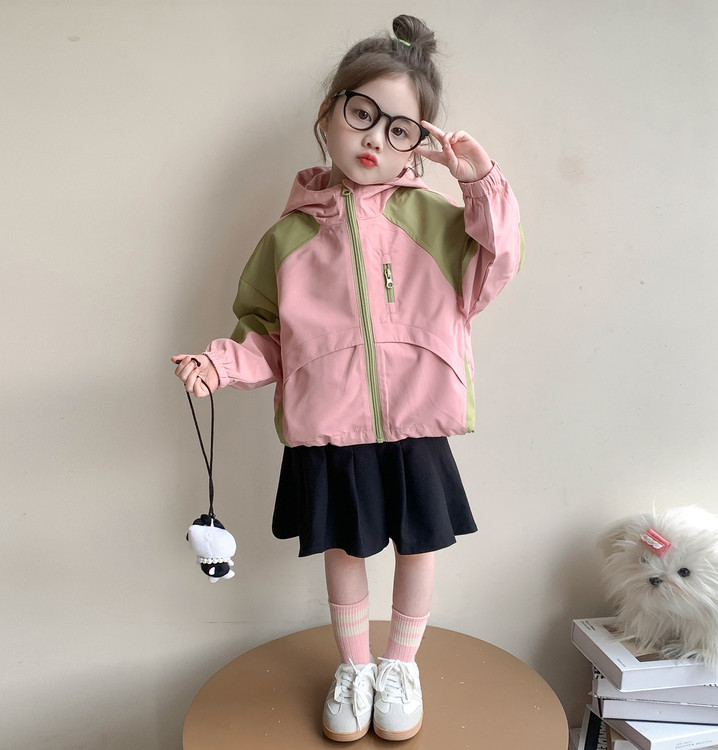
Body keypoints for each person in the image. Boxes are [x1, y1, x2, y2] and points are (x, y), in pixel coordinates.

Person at [172, 14, 523, 743]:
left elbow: (494, 265)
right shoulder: (288, 239)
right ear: (328, 113)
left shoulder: (437, 221)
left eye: (401, 129)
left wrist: (480, 181)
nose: (375, 139)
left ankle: (402, 666)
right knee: (346, 549)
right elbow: (265, 335)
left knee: (418, 547)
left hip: (418, 417)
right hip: (330, 425)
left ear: (420, 144)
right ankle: (356, 667)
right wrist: (220, 363)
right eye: (362, 114)